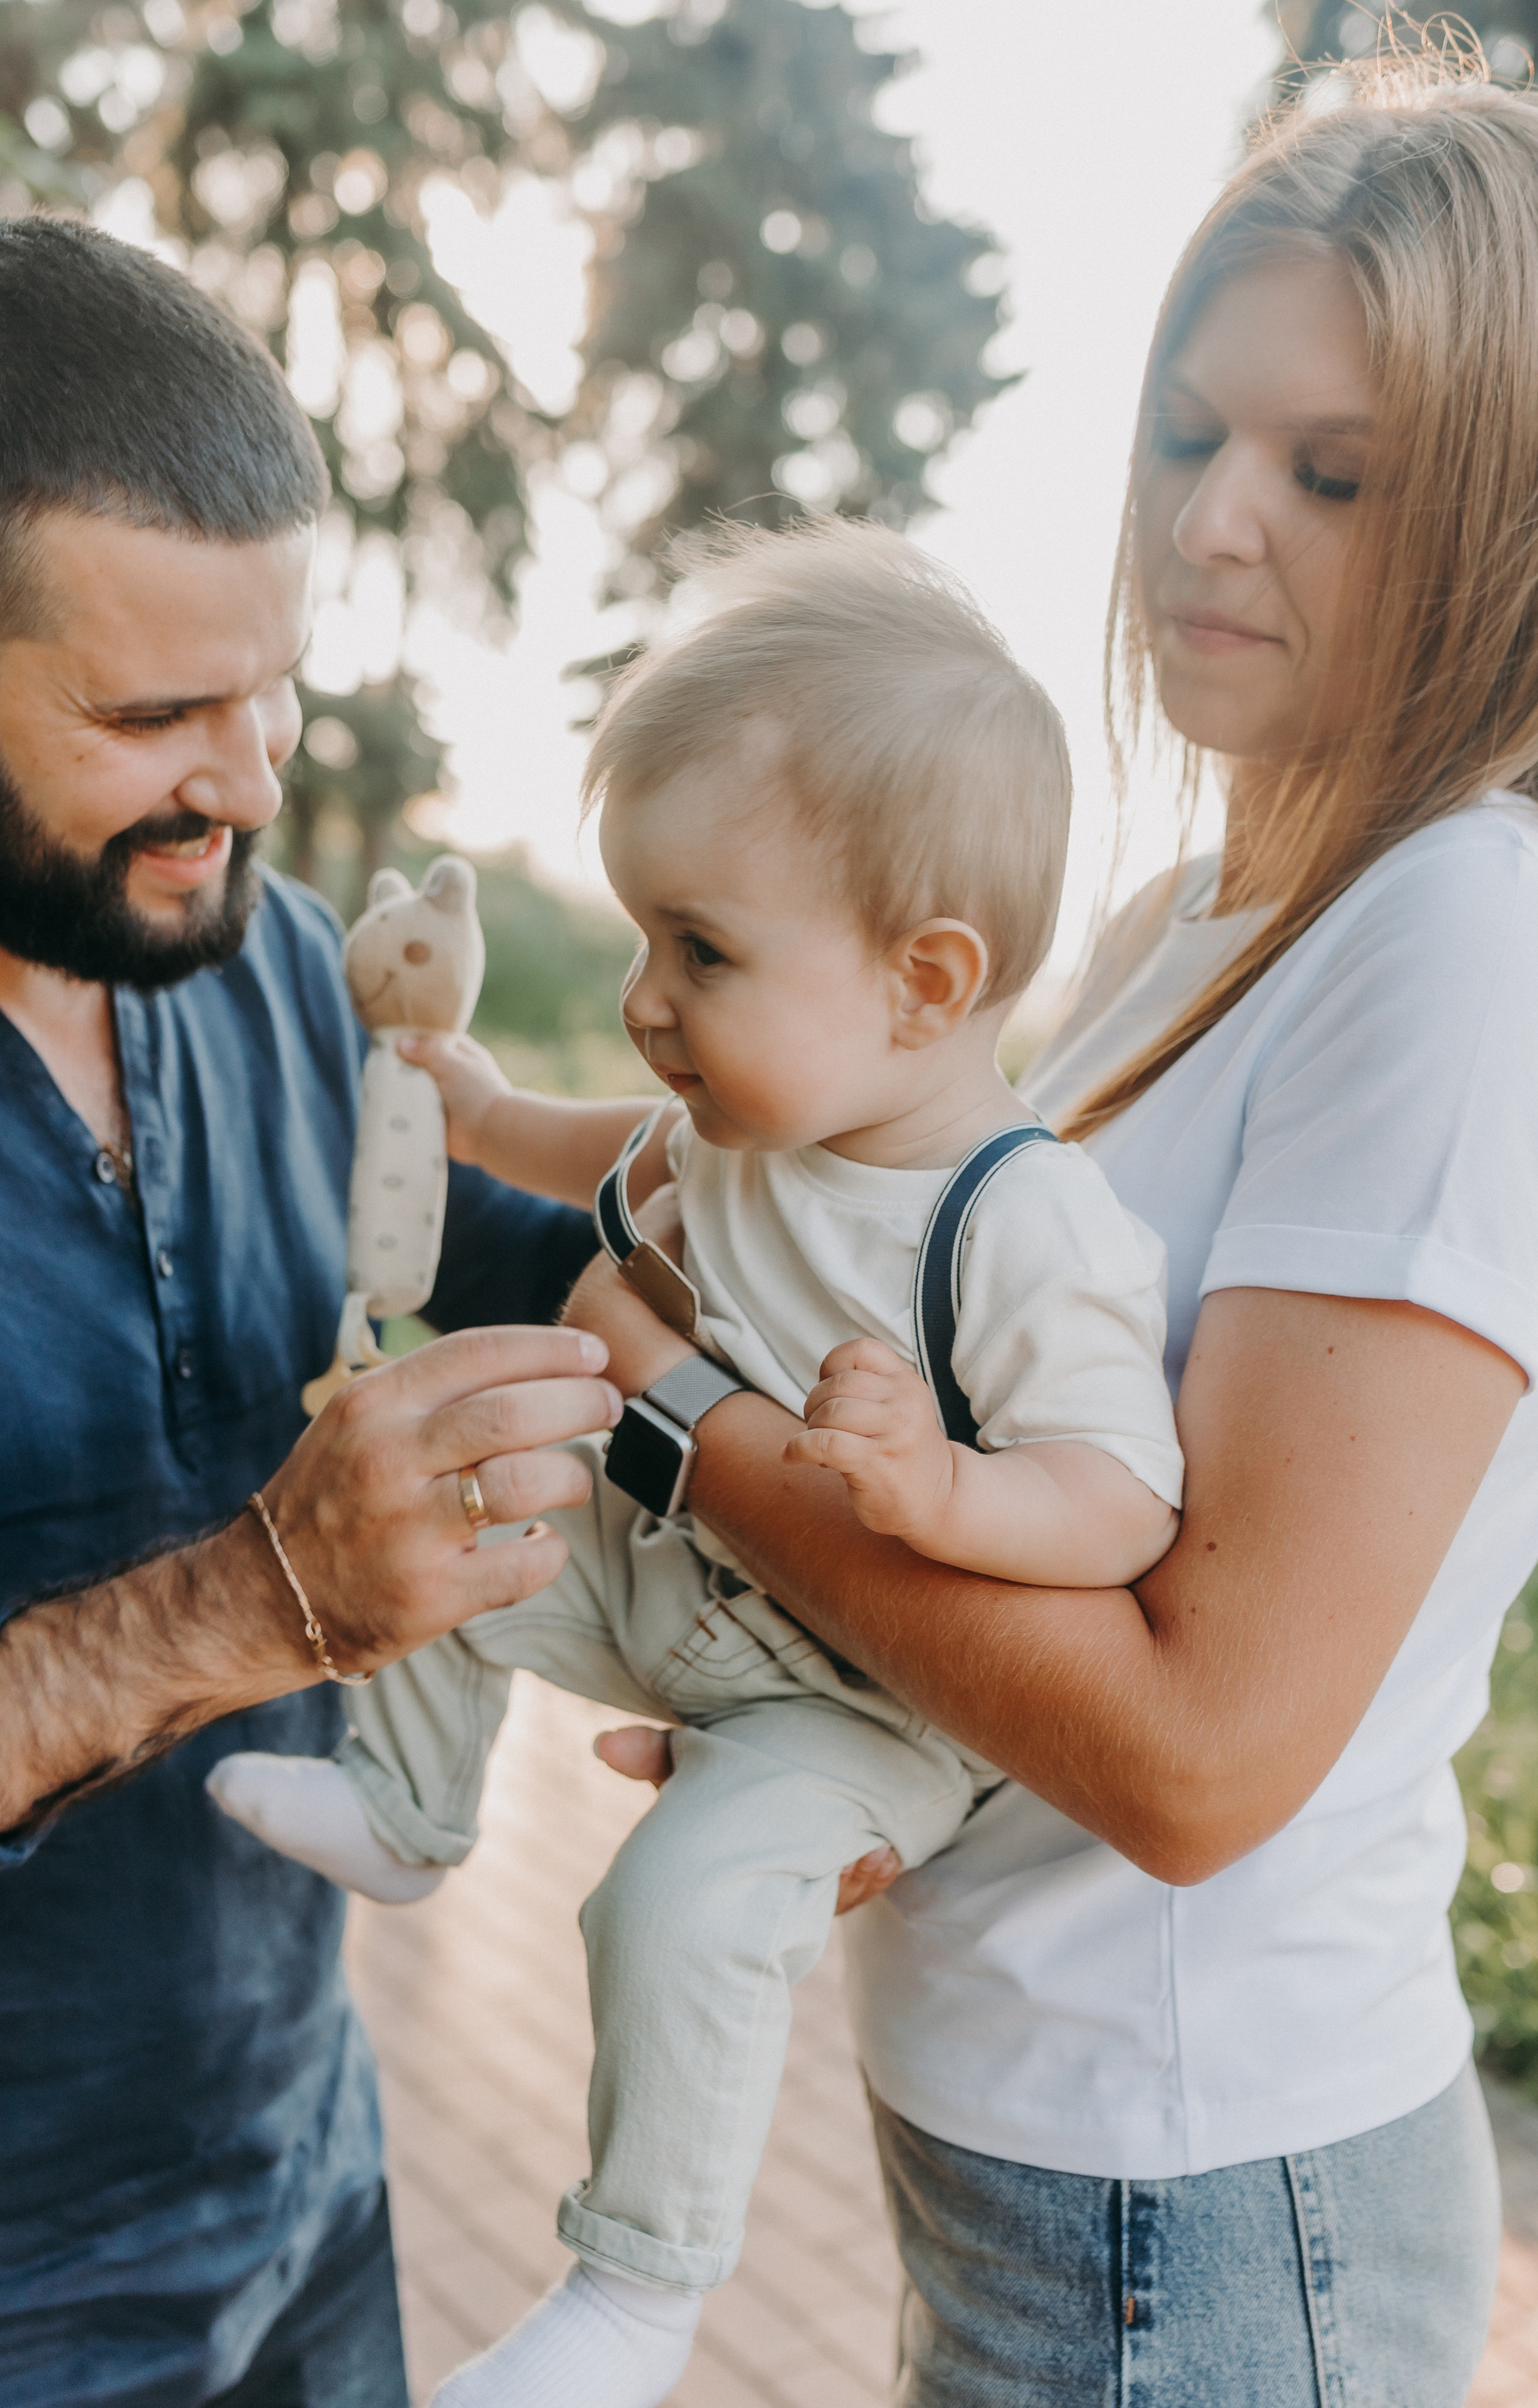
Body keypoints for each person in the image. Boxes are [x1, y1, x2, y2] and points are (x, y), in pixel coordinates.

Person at [494, 58, 1538, 2406]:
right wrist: (814, 1673)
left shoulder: (1466, 942)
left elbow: (1192, 1758)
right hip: (1030, 2144)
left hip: (1195, 2194)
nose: (1212, 525)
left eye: (1330, 474)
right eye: (1191, 438)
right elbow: (924, 1282)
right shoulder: (1202, 908)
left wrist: (675, 1419)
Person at [209, 519, 1187, 2408]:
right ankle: (412, 1817)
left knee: (672, 1905)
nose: (653, 997)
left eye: (702, 948)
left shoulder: (1021, 1219)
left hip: (864, 1708)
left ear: (927, 982)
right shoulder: (750, 1113)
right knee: (446, 1486)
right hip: (682, 1588)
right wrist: (483, 1112)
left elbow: (1128, 1496)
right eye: (648, 935)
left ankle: (636, 2294)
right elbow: (613, 1143)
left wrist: (948, 1495)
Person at [0, 216, 621, 2407]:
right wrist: (254, 1605)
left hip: (312, 2201)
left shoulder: (268, 947)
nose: (247, 783)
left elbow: (525, 1278)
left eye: (276, 686)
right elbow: (269, 1597)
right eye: (154, 715)